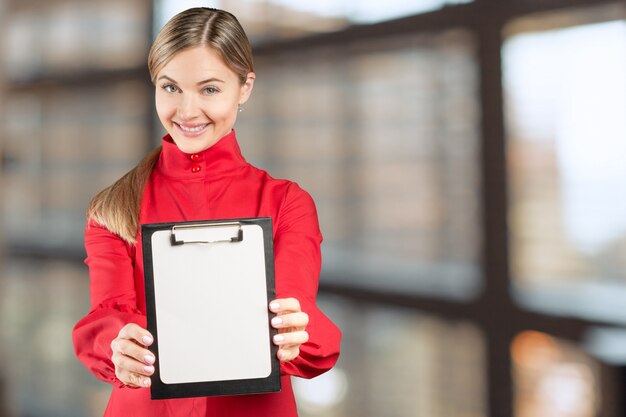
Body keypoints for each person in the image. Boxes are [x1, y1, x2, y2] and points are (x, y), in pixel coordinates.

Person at [72, 7, 341, 417]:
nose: (187, 111)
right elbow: (107, 315)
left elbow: (297, 312)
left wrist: (295, 331)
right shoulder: (113, 208)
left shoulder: (287, 203)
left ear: (245, 87)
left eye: (210, 89)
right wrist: (117, 344)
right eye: (171, 87)